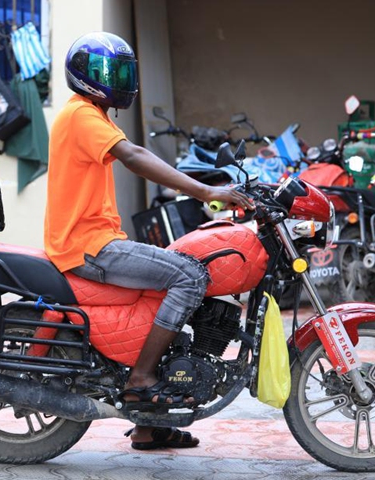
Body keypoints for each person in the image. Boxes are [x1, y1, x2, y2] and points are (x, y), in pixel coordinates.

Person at [44, 32, 254, 451]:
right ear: (87, 78)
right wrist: (206, 191)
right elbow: (135, 156)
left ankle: (148, 424)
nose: (120, 79)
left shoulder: (94, 116)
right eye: (111, 72)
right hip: (87, 246)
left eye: (124, 71)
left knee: (174, 281)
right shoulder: (81, 115)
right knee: (190, 276)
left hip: (98, 240)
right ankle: (140, 379)